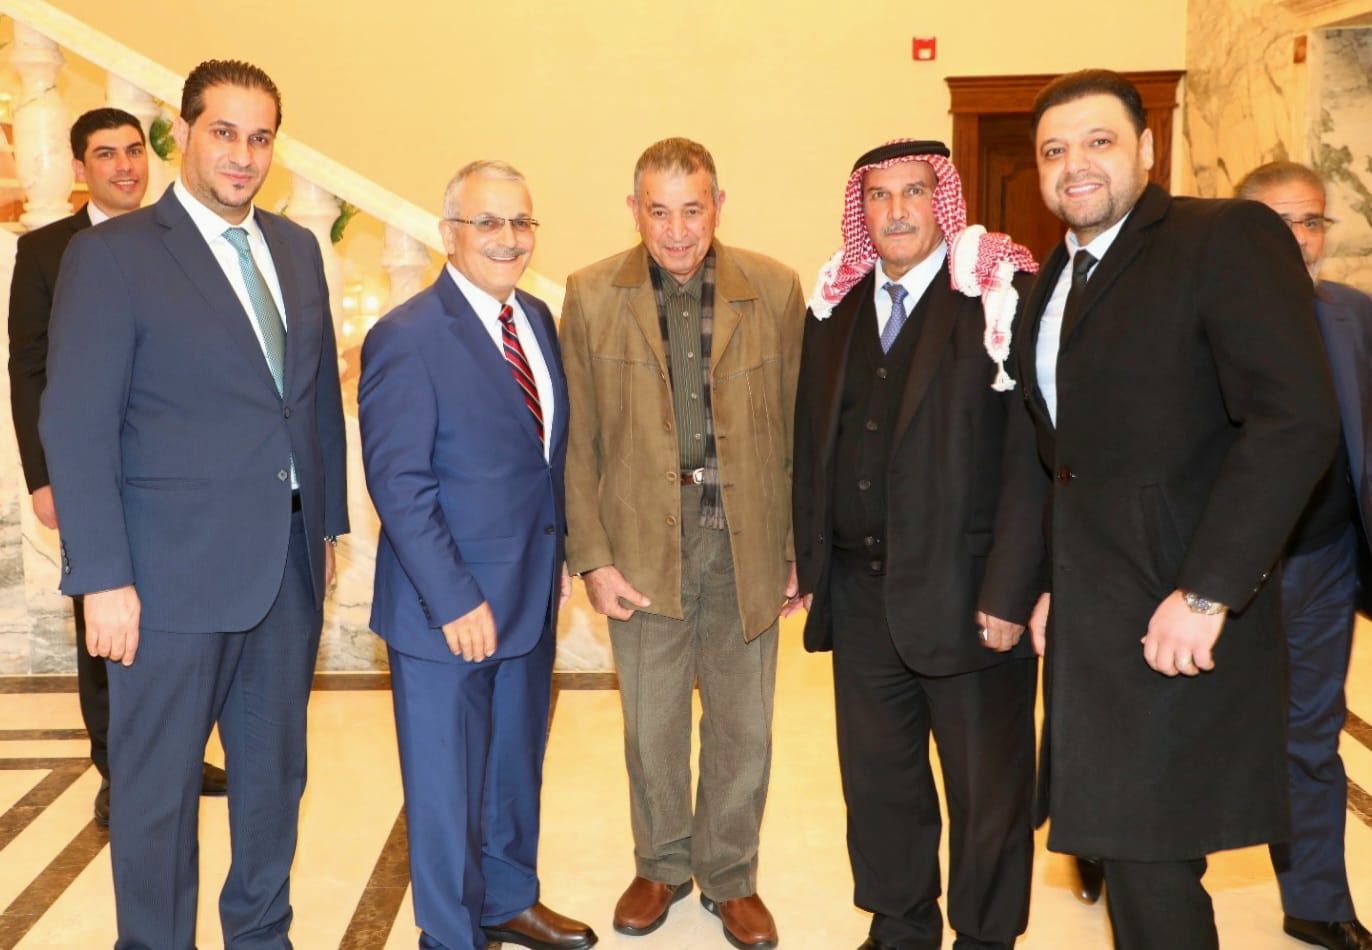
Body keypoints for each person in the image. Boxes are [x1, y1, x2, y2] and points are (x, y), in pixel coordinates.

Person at [1019, 69, 1340, 949]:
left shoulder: (1222, 237)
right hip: (1094, 618)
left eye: (1099, 141)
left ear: (1149, 149)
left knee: (1153, 856)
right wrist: (1052, 584)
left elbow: (1295, 420)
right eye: (1054, 150)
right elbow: (1069, 460)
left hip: (1177, 608)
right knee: (1130, 854)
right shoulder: (1055, 277)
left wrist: (1208, 591)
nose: (1075, 164)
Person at [40, 60, 349, 949]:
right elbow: (77, 423)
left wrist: (327, 523)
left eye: (260, 138)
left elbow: (312, 399)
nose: (243, 155)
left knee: (274, 780)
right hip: (164, 579)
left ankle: (261, 934)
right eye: (224, 132)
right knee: (157, 793)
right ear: (182, 134)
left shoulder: (296, 249)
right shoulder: (114, 255)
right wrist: (102, 578)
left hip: (286, 567)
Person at [792, 138, 1046, 950]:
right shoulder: (833, 308)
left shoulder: (997, 297)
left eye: (913, 193)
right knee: (880, 782)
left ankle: (984, 936)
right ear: (860, 209)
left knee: (986, 790)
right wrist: (808, 561)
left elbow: (1033, 460)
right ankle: (900, 926)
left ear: (942, 202)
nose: (896, 211)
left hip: (970, 598)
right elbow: (810, 442)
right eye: (879, 196)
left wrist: (1012, 591)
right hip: (860, 594)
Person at [560, 137, 804, 950]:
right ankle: (661, 865)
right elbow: (578, 441)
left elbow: (798, 429)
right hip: (641, 548)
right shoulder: (591, 293)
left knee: (745, 727)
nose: (675, 230)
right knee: (652, 725)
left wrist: (796, 550)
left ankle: (730, 875)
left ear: (718, 206)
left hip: (745, 544)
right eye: (658, 211)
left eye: (691, 210)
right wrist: (593, 558)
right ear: (634, 211)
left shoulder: (774, 289)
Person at [358, 160, 597, 950]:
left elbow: (541, 457)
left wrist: (558, 553)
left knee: (512, 769)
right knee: (446, 789)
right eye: (487, 222)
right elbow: (399, 484)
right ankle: (451, 935)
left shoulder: (537, 317)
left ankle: (508, 900)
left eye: (521, 222)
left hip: (528, 595)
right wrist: (454, 597)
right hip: (448, 609)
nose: (508, 238)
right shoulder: (407, 337)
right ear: (448, 233)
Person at [7, 107, 229, 829]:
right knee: (104, 625)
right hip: (94, 474)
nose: (125, 166)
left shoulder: (181, 240)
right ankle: (117, 769)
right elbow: (30, 368)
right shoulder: (48, 250)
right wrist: (45, 477)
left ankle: (180, 755)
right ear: (79, 168)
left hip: (178, 478)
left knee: (183, 623)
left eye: (134, 151)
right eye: (106, 154)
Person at [1236, 160, 1372, 950]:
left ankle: (1316, 901)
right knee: (1182, 733)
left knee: (1310, 734)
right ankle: (1130, 858)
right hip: (1215, 576)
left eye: (1312, 221)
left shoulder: (1354, 316)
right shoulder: (1197, 318)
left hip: (1323, 561)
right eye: (1278, 222)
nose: (1300, 239)